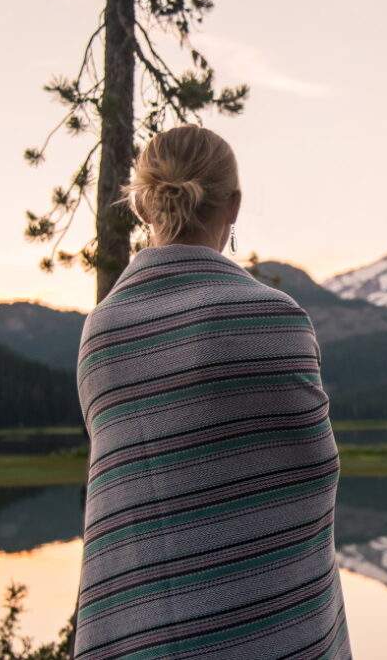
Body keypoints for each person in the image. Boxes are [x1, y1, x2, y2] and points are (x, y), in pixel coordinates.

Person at [71, 125, 352, 659]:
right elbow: (312, 471)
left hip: (141, 636)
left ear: (141, 207)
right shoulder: (273, 318)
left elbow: (131, 487)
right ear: (235, 205)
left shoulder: (102, 329)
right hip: (273, 635)